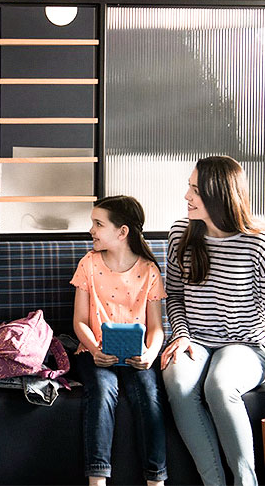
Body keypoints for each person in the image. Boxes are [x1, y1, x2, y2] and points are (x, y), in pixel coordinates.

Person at [161, 156, 265, 486]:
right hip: (195, 338)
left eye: (195, 190)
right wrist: (180, 335)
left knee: (219, 387)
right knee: (177, 384)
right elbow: (174, 296)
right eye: (188, 188)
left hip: (245, 344)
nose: (187, 197)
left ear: (219, 193)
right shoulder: (181, 234)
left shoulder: (256, 243)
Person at [71, 195, 167, 486]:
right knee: (102, 391)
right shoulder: (88, 264)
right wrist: (95, 349)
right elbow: (80, 322)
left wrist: (151, 353)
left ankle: (156, 479)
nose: (91, 230)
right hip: (94, 352)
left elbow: (156, 327)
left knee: (149, 397)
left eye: (98, 224)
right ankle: (97, 479)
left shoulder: (149, 270)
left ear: (122, 231)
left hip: (138, 356)